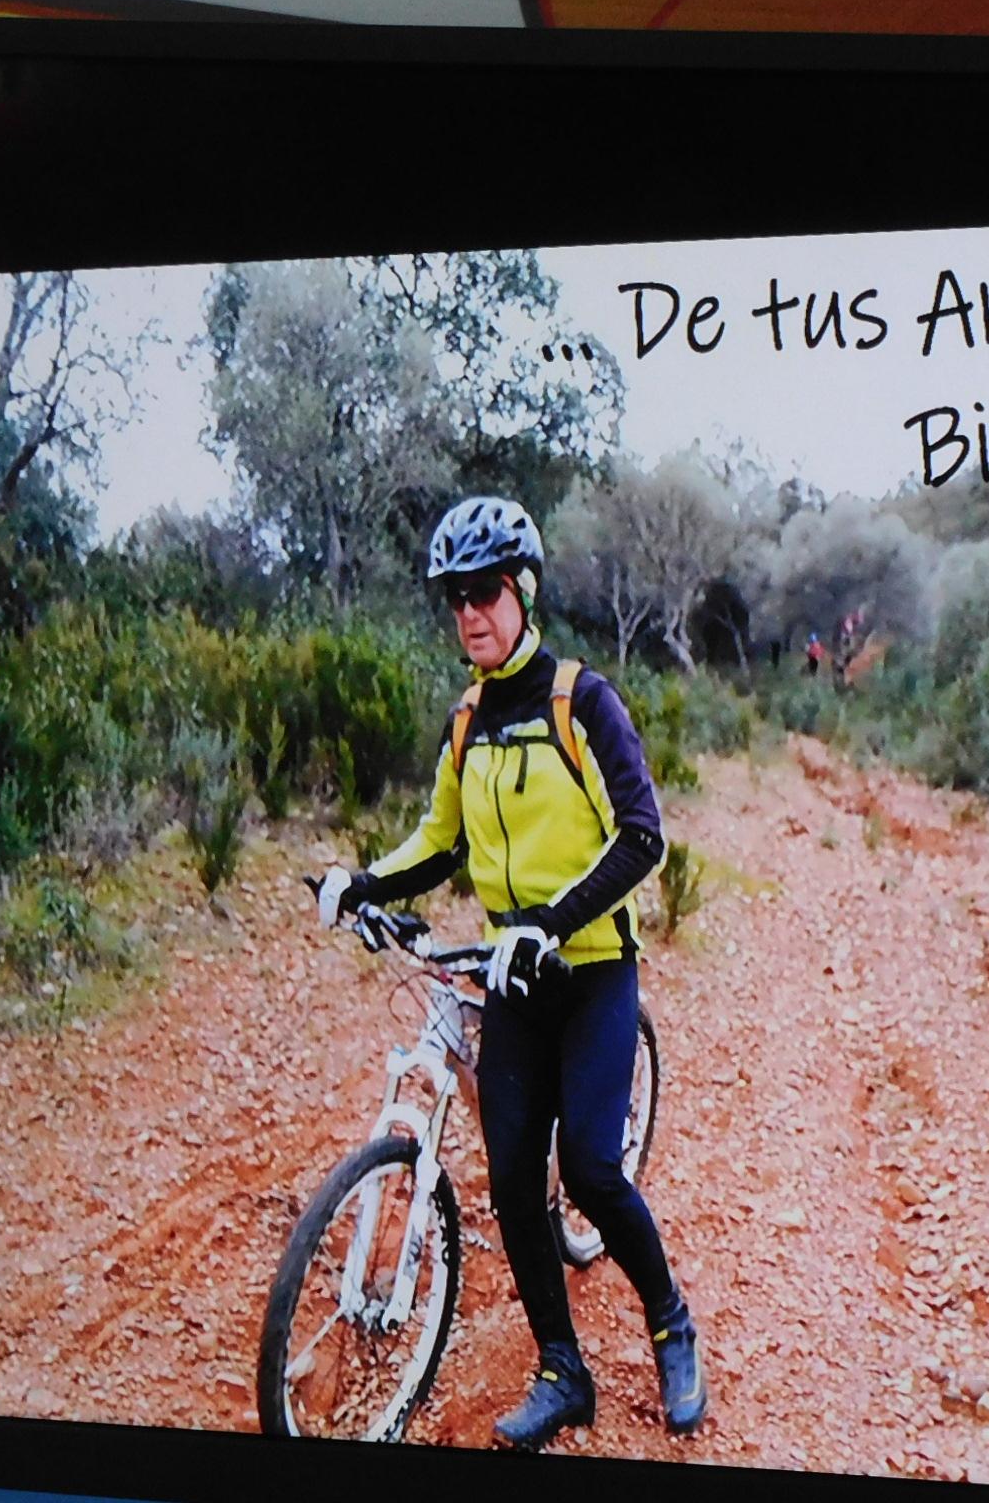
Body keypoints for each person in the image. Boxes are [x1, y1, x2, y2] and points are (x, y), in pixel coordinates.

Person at [313, 495, 706, 1451]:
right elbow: (440, 842)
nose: (469, 615)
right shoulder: (467, 722)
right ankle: (563, 1370)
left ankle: (670, 1322)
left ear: (523, 591)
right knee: (515, 1186)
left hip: (593, 972)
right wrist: (360, 884)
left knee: (592, 1172)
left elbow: (643, 837)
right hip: (515, 982)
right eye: (454, 599)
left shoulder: (583, 701)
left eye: (484, 593)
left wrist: (550, 921)